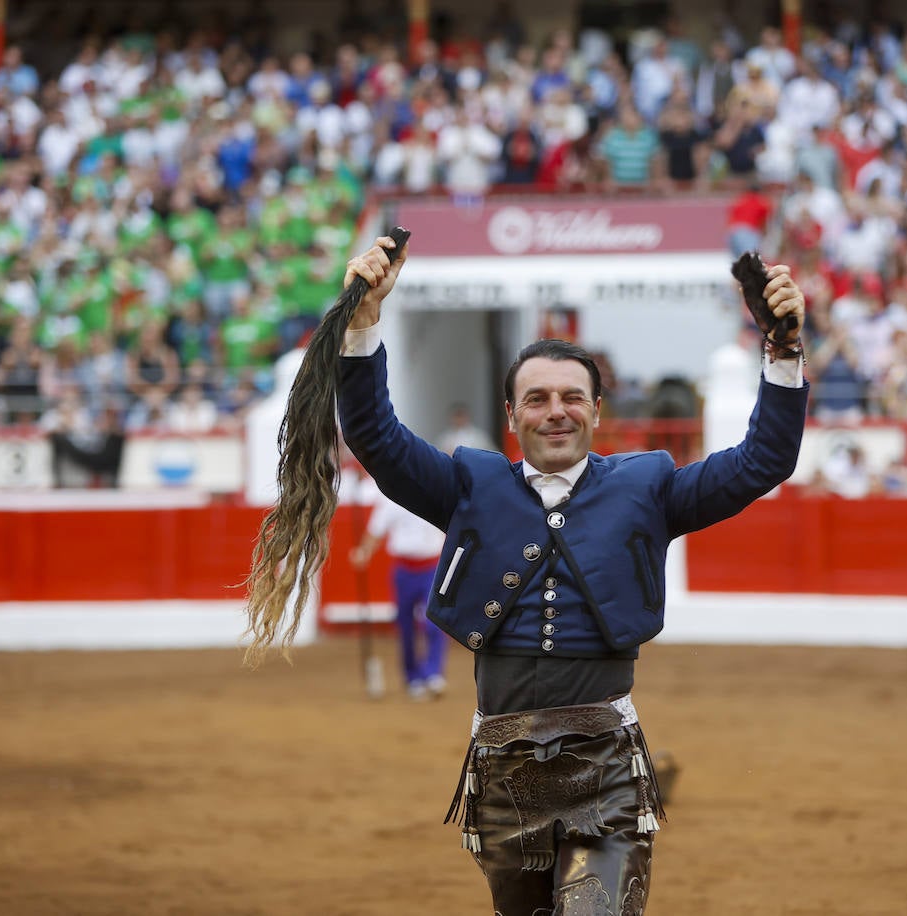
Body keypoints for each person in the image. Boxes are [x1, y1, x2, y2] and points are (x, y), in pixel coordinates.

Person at [333, 235, 807, 914]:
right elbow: (376, 436)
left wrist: (783, 354)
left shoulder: (649, 486)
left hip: (605, 770)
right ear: (511, 416)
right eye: (537, 399)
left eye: (572, 396)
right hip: (502, 774)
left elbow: (762, 460)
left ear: (596, 409)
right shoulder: (469, 484)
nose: (555, 410)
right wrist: (363, 324)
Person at [349, 494, 449, 701]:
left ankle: (433, 673)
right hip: (404, 569)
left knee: (434, 621)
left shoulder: (437, 493)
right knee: (405, 624)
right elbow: (376, 530)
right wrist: (364, 552)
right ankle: (413, 677)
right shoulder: (392, 499)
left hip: (432, 567)